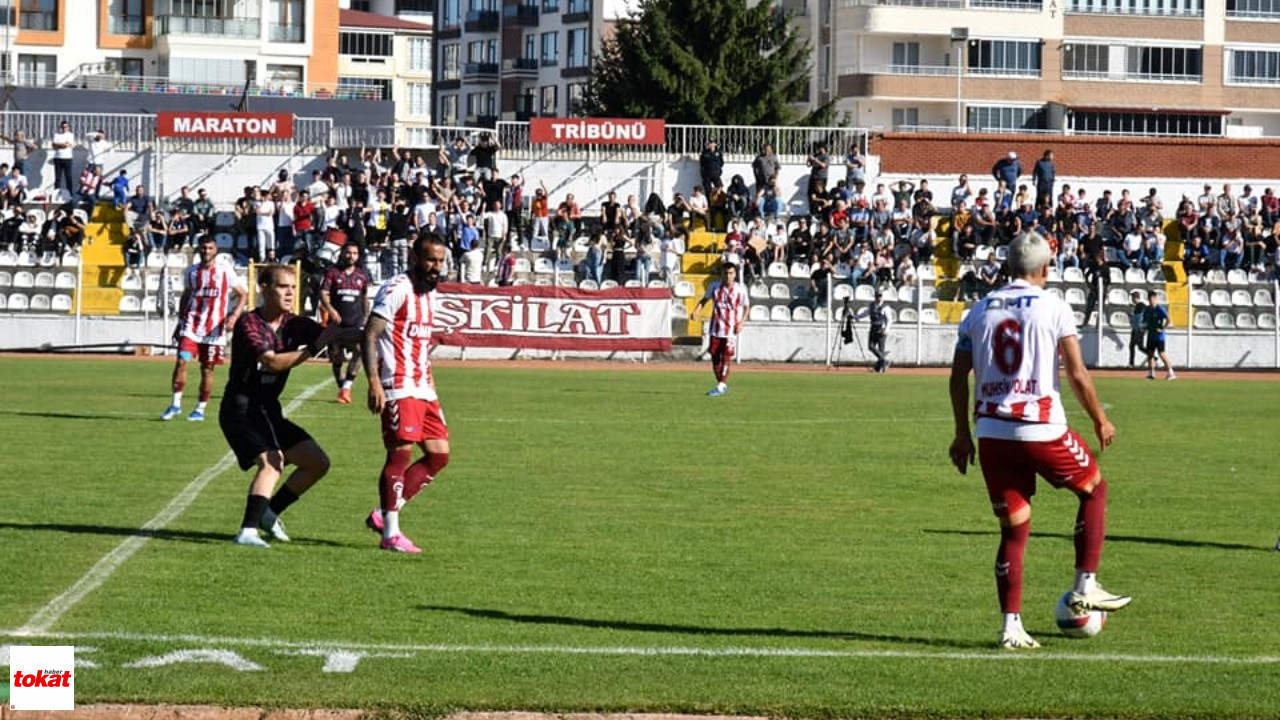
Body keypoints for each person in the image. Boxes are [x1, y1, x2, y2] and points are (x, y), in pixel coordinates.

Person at [948, 231, 1130, 650]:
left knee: (1013, 531)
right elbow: (1078, 373)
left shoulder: (978, 310)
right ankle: (1086, 584)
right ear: (1046, 268)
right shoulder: (1054, 306)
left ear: (1008, 266)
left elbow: (959, 376)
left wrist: (961, 433)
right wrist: (1100, 419)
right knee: (1094, 489)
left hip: (991, 433)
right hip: (1040, 428)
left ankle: (1011, 627)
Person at [221, 264, 351, 548]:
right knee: (273, 462)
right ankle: (247, 531)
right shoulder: (249, 324)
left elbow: (334, 337)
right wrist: (311, 350)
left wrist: (372, 334)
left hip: (268, 409)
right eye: (282, 286)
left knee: (317, 463)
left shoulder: (295, 323)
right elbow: (272, 362)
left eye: (293, 287)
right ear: (264, 289)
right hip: (240, 409)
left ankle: (269, 512)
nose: (290, 292)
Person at [362, 234, 453, 553]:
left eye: (440, 261)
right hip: (399, 385)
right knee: (400, 455)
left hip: (425, 386)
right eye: (430, 259)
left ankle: (383, 513)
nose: (436, 267)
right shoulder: (397, 289)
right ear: (415, 258)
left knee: (439, 455)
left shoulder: (430, 292)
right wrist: (373, 380)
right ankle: (390, 533)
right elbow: (370, 334)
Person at [161, 236, 248, 422]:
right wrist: (179, 321)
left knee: (207, 369)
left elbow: (243, 294)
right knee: (182, 361)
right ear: (198, 250)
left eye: (209, 248)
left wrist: (234, 316)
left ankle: (200, 408)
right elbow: (187, 295)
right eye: (203, 248)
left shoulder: (225, 272)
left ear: (215, 250)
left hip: (214, 330)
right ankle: (175, 403)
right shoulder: (191, 272)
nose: (206, 251)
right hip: (191, 325)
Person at [319, 242, 372, 404]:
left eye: (355, 253)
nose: (351, 256)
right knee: (336, 357)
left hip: (355, 323)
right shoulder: (333, 273)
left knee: (360, 351)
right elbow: (323, 293)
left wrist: (366, 317)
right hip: (336, 324)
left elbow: (364, 298)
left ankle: (346, 386)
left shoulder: (362, 275)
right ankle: (342, 386)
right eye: (348, 253)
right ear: (343, 253)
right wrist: (330, 310)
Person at [693, 262, 748, 397]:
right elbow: (704, 300)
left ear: (735, 274)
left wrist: (741, 322)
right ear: (721, 274)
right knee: (715, 357)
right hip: (715, 328)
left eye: (730, 273)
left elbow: (747, 307)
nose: (728, 276)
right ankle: (722, 384)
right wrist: (696, 310)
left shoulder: (740, 289)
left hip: (730, 330)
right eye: (725, 273)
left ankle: (722, 384)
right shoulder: (714, 287)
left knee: (726, 357)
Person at [1142, 289, 1176, 380]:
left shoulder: (1160, 309)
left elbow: (1169, 320)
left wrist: (1162, 328)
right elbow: (1145, 321)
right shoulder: (1147, 309)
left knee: (1162, 353)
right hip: (1150, 335)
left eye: (1152, 299)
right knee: (1150, 354)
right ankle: (1152, 373)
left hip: (1159, 336)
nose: (1151, 301)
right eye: (1149, 299)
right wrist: (1144, 328)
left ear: (1155, 299)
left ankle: (1171, 372)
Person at [855, 289, 891, 373]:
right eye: (877, 296)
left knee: (880, 349)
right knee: (871, 346)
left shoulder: (885, 307)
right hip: (873, 328)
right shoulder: (871, 305)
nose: (878, 298)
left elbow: (889, 319)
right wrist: (855, 317)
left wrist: (887, 329)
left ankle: (878, 368)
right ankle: (884, 360)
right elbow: (865, 313)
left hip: (881, 329)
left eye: (880, 296)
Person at [49, 120, 76, 194]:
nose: (64, 128)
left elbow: (68, 145)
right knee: (57, 178)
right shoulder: (56, 135)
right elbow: (54, 145)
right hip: (58, 158)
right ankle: (56, 193)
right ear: (60, 127)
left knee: (68, 177)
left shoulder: (71, 135)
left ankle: (70, 194)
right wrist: (63, 145)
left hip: (67, 158)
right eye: (63, 127)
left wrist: (59, 145)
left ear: (68, 127)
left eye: (66, 127)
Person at [1128, 290, 1147, 367]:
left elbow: (1139, 318)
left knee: (1133, 345)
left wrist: (1132, 316)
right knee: (1139, 347)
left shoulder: (1141, 305)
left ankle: (1131, 363)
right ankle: (1152, 356)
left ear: (1136, 298)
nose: (1132, 299)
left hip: (1138, 329)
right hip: (1137, 329)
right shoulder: (1138, 306)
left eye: (1133, 297)